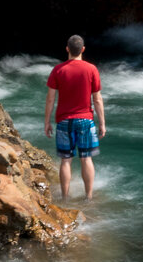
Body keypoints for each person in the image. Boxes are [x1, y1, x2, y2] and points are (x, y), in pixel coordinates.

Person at [44, 33, 106, 202]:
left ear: (67, 49)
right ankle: (89, 197)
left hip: (64, 121)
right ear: (83, 50)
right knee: (86, 159)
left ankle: (64, 197)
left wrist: (47, 121)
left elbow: (50, 98)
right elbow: (97, 99)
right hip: (86, 121)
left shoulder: (58, 70)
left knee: (65, 161)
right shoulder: (91, 69)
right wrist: (102, 123)